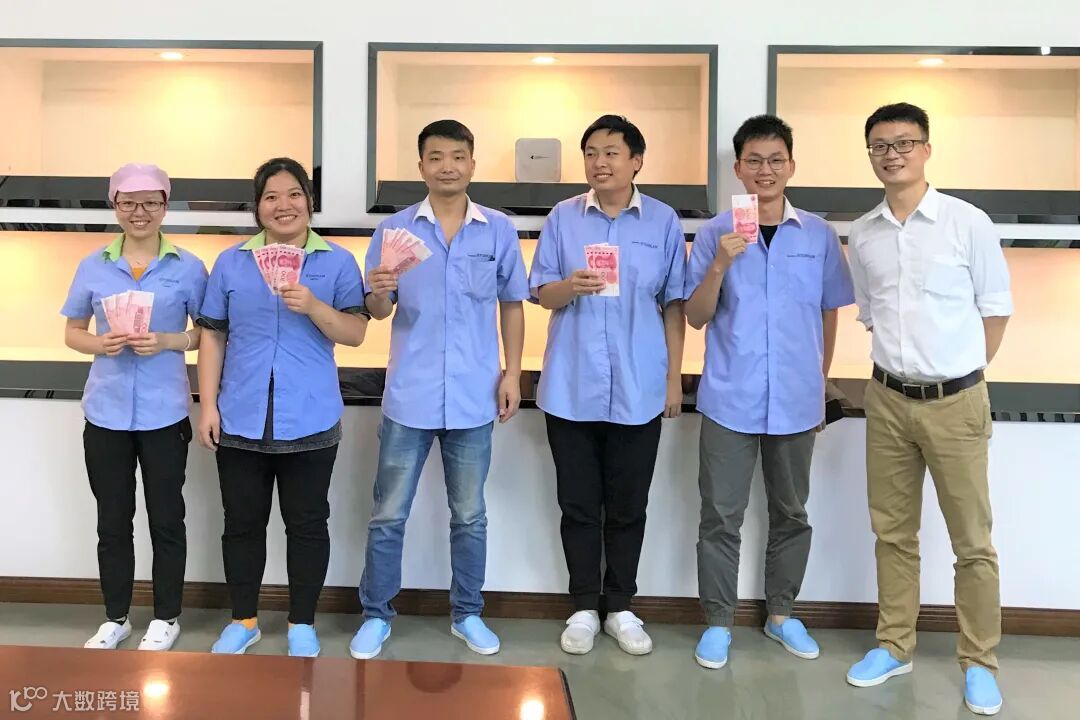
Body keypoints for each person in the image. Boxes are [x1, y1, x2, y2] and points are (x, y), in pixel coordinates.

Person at [843, 103, 1012, 717]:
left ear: (926, 149)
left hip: (956, 402)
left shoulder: (968, 223)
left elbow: (995, 312)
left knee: (973, 542)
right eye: (880, 145)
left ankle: (979, 661)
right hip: (887, 399)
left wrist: (959, 377)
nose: (892, 154)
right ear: (870, 154)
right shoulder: (862, 233)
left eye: (904, 143)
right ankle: (895, 645)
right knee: (892, 533)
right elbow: (870, 315)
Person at [349, 120, 528, 660]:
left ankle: (467, 612)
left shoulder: (497, 229)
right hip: (410, 395)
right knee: (388, 514)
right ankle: (376, 614)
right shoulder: (394, 231)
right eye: (435, 157)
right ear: (420, 166)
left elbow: (512, 305)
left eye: (457, 156)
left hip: (475, 394)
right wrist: (379, 291)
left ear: (472, 162)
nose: (447, 166)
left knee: (469, 515)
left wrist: (513, 373)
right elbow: (378, 312)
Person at [684, 115, 855, 669]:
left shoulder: (818, 235)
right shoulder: (714, 233)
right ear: (738, 169)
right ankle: (718, 622)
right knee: (720, 516)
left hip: (797, 401)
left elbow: (829, 312)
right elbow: (695, 316)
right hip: (729, 399)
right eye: (754, 160)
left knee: (791, 513)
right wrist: (719, 264)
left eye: (775, 160)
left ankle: (781, 614)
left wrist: (820, 382)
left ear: (791, 166)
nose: (765, 170)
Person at [196, 157, 369, 657]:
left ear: (309, 201)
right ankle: (244, 620)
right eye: (270, 197)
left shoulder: (337, 261)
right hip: (240, 414)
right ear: (258, 208)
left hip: (311, 415)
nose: (283, 205)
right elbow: (212, 337)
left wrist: (313, 305)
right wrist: (208, 406)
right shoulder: (231, 262)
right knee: (241, 524)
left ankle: (302, 622)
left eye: (294, 194)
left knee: (308, 524)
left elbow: (355, 333)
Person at [529, 114, 686, 656]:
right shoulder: (563, 217)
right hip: (571, 385)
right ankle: (582, 607)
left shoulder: (663, 221)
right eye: (591, 152)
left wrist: (673, 380)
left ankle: (620, 606)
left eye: (612, 152)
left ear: (636, 161)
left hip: (640, 386)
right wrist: (569, 286)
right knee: (577, 505)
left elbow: (674, 304)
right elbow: (540, 293)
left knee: (627, 507)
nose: (600, 162)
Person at [61, 163, 207, 652]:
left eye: (150, 202)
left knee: (167, 518)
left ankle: (166, 617)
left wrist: (170, 340)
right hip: (105, 411)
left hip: (166, 413)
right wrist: (100, 344)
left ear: (165, 205)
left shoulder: (189, 267)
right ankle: (116, 617)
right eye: (128, 202)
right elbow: (72, 332)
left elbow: (208, 333)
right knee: (112, 519)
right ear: (115, 206)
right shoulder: (93, 266)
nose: (139, 212)